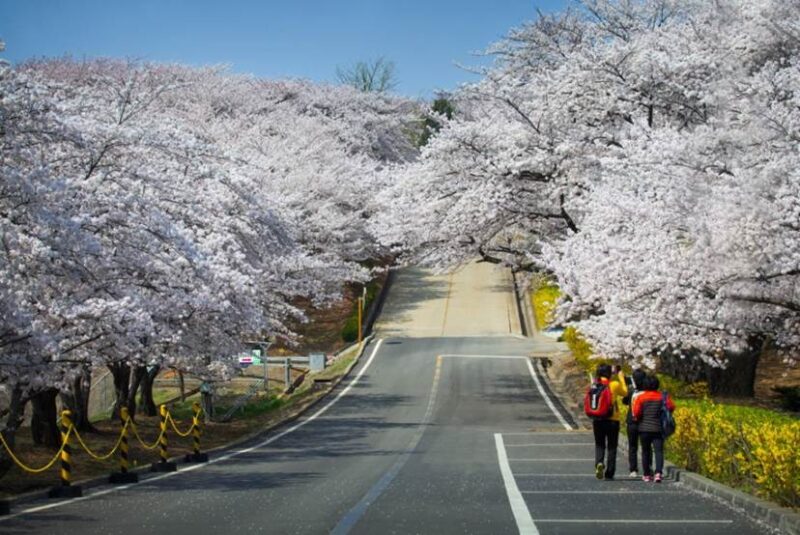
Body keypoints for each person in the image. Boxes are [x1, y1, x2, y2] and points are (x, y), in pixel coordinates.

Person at [632, 375, 676, 483]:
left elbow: (636, 413)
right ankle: (658, 473)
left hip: (644, 428)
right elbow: (671, 407)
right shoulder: (662, 397)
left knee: (645, 451)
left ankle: (647, 474)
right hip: (658, 428)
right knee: (659, 451)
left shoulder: (641, 397)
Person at [592, 363, 627, 480]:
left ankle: (599, 463)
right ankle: (610, 472)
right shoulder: (614, 384)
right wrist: (621, 377)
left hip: (598, 419)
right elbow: (625, 392)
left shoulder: (594, 384)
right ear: (609, 374)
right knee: (612, 446)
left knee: (599, 444)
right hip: (613, 420)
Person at [621, 368, 647, 478]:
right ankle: (648, 469)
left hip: (631, 421)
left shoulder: (632, 391)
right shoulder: (647, 391)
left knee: (632, 446)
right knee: (646, 447)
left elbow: (624, 401)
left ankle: (633, 470)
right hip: (644, 421)